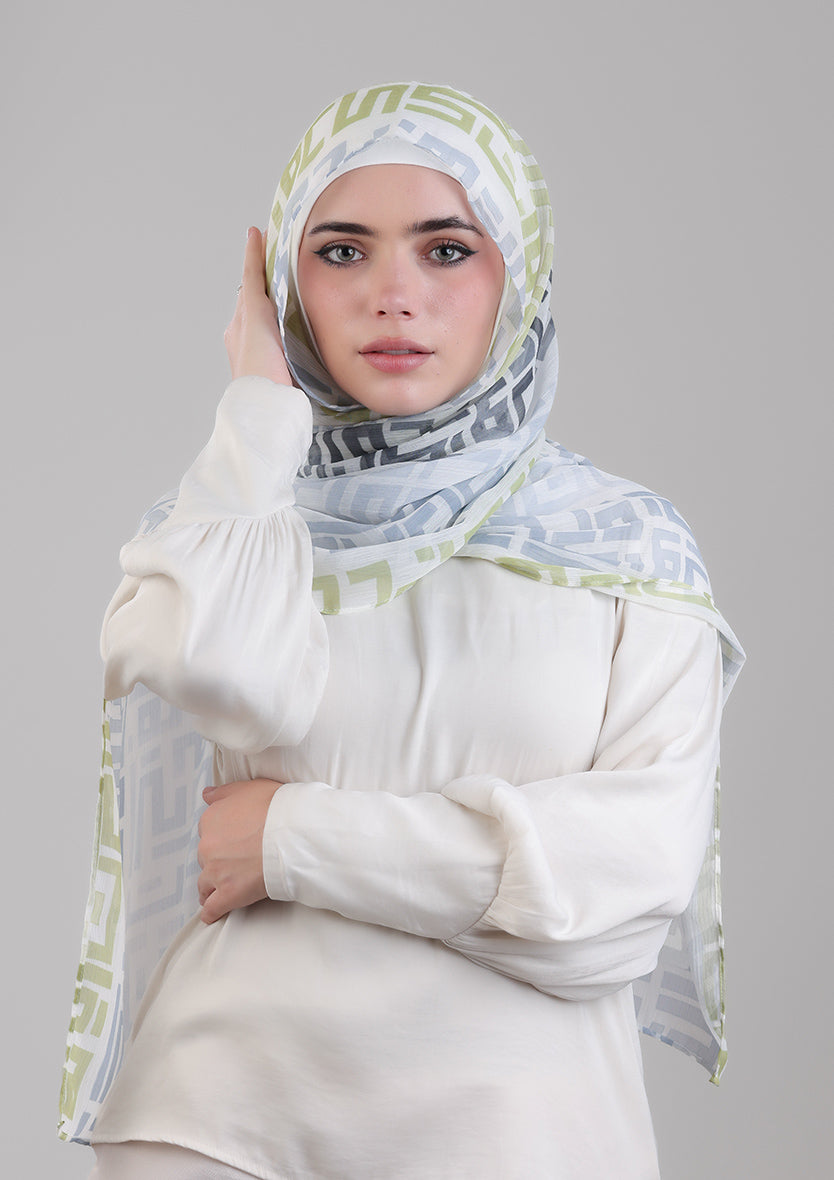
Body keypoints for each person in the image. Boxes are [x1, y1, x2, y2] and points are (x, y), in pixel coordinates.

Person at [60, 82, 743, 1179]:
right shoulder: (231, 521)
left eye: (446, 250)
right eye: (340, 252)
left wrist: (288, 839)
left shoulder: (628, 548)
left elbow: (618, 898)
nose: (392, 296)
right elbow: (226, 680)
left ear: (518, 275)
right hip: (214, 1127)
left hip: (524, 1140)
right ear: (285, 288)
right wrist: (258, 410)